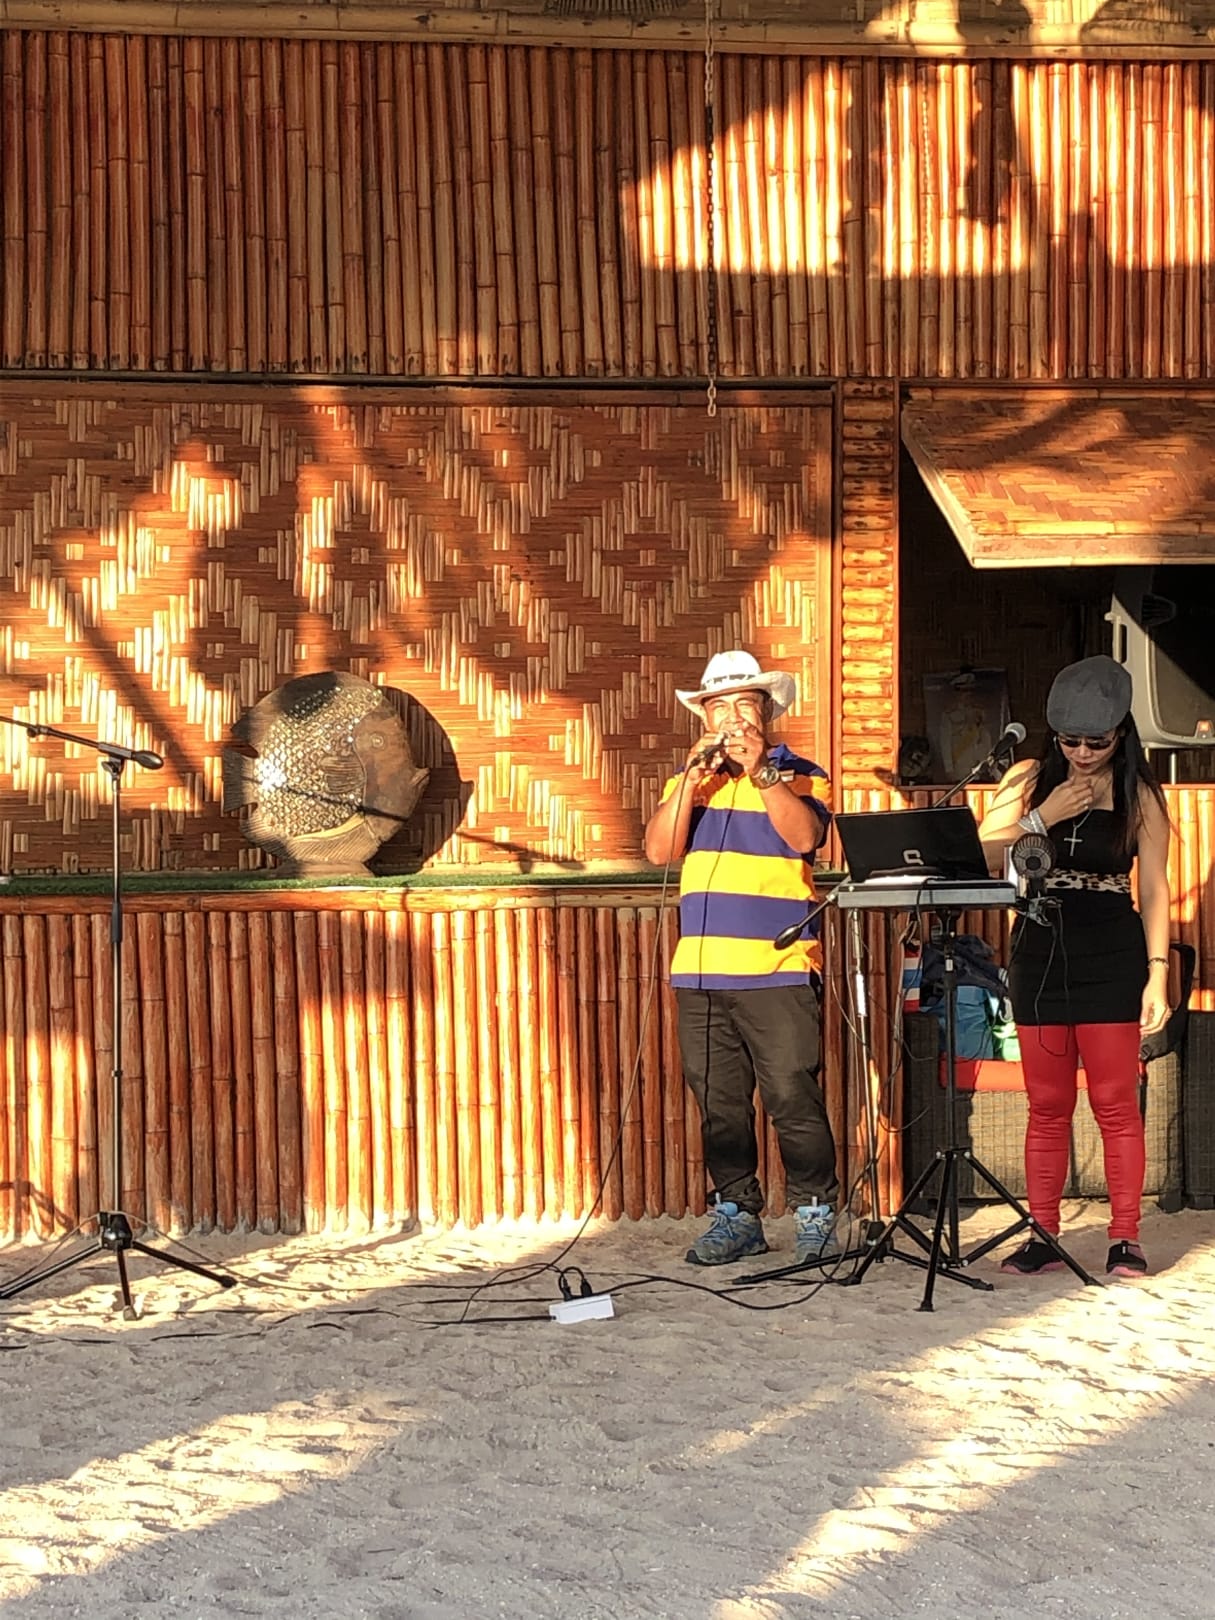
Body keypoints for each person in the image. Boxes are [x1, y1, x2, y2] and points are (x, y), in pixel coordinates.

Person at [643, 650, 840, 1266]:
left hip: (778, 969)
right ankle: (737, 1214)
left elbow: (806, 837)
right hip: (701, 972)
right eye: (719, 707)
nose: (731, 718)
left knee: (792, 1096)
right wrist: (689, 781)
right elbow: (659, 852)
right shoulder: (690, 783)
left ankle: (815, 1214)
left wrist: (762, 774)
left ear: (766, 714)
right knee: (720, 1105)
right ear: (704, 718)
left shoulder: (800, 773)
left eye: (744, 705)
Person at [978, 655, 1171, 1278]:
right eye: (1070, 740)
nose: (1083, 753)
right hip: (1040, 948)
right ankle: (1043, 1233)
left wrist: (1158, 972)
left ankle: (1125, 1236)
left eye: (1098, 741)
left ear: (1121, 734)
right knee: (1047, 1102)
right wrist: (1044, 816)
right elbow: (982, 855)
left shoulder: (1140, 792)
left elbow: (1156, 889)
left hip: (1111, 949)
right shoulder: (1030, 778)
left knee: (1115, 1101)